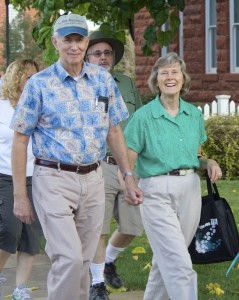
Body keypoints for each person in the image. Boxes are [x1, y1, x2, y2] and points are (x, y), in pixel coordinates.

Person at [10, 14, 143, 300]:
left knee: (83, 260)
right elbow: (20, 140)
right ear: (56, 42)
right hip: (53, 178)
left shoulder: (103, 80)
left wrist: (128, 177)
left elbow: (114, 131)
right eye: (67, 39)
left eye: (79, 39)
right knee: (68, 257)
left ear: (86, 42)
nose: (74, 45)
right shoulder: (39, 84)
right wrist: (20, 196)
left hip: (94, 178)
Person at [124, 52, 222, 300]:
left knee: (166, 260)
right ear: (156, 80)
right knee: (179, 264)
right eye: (164, 73)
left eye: (174, 72)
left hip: (189, 189)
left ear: (183, 78)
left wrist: (209, 162)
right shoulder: (143, 117)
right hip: (156, 191)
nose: (170, 77)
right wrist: (129, 183)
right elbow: (128, 159)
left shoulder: (194, 115)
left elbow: (194, 156)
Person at [85, 31, 144, 300]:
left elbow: (141, 121)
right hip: (98, 165)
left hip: (130, 166)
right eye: (97, 53)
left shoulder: (126, 83)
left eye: (107, 53)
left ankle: (107, 261)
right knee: (99, 227)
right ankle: (97, 283)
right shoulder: (80, 84)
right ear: (87, 57)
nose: (103, 57)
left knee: (132, 226)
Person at [0, 59, 42, 300]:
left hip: (36, 177)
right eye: (28, 77)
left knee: (31, 235)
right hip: (4, 176)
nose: (33, 81)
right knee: (9, 230)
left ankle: (20, 289)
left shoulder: (39, 106)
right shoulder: (1, 106)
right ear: (16, 79)